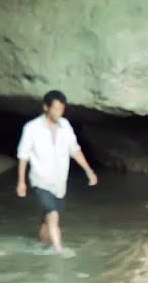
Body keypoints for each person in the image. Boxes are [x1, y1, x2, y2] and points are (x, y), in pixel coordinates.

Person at [15, 90, 98, 256]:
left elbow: (74, 150)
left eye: (62, 109)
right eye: (56, 109)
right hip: (40, 180)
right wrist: (21, 182)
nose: (59, 113)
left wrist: (89, 170)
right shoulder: (32, 128)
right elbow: (23, 155)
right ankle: (59, 251)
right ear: (46, 107)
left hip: (60, 182)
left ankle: (40, 245)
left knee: (48, 219)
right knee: (53, 216)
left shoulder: (65, 126)